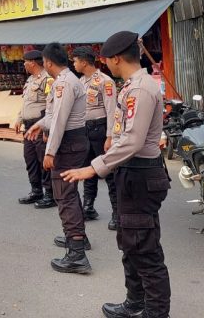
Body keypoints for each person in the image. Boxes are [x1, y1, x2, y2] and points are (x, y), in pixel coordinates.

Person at [60, 31, 171, 318]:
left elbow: (132, 142)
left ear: (116, 58)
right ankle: (135, 301)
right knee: (130, 244)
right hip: (131, 174)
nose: (106, 64)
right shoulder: (132, 85)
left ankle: (156, 313)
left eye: (107, 59)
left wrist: (93, 167)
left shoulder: (140, 90)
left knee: (144, 250)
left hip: (140, 175)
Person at [25, 43, 91, 274]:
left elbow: (60, 121)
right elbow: (52, 115)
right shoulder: (67, 80)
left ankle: (77, 254)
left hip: (68, 143)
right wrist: (37, 124)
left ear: (48, 62)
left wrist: (50, 151)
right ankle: (78, 238)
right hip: (74, 140)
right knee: (69, 193)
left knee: (64, 196)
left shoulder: (63, 83)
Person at [72, 46, 119, 230]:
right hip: (85, 130)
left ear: (84, 61)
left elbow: (112, 110)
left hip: (100, 130)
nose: (74, 64)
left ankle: (117, 213)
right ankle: (88, 207)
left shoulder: (105, 81)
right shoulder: (81, 82)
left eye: (76, 60)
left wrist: (110, 136)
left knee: (108, 171)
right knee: (88, 169)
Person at [12, 49, 55, 209]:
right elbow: (26, 103)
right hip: (28, 126)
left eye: (25, 61)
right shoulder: (30, 80)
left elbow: (51, 105)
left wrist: (47, 129)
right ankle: (36, 190)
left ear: (32, 63)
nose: (23, 64)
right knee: (30, 158)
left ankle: (50, 194)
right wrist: (19, 118)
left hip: (40, 124)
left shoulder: (48, 79)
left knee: (42, 159)